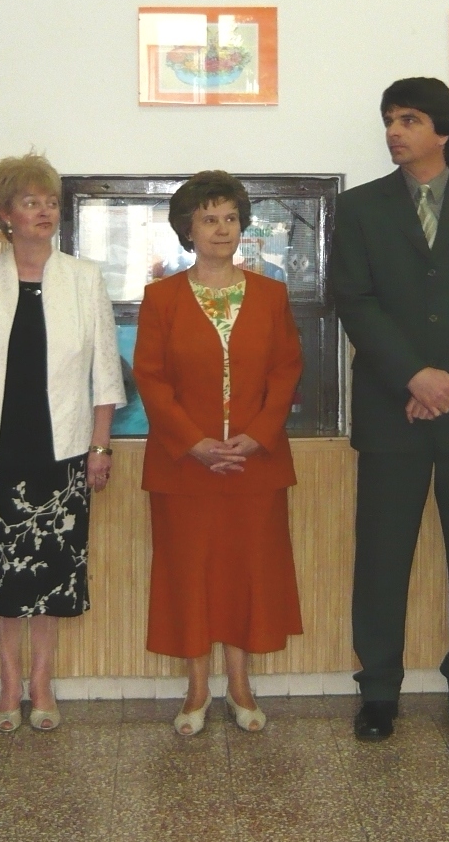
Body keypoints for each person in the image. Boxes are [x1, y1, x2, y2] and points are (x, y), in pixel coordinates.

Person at [331, 77, 449, 743]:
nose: (393, 131)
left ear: (443, 131)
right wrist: (414, 376)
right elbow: (355, 300)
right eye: (389, 119)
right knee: (382, 558)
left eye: (408, 119)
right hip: (392, 407)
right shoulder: (359, 208)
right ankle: (379, 690)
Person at [0, 152, 124, 733]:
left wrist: (100, 448)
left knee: (53, 574)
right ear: (6, 214)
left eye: (50, 202)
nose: (43, 211)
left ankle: (42, 681)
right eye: (29, 202)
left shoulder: (84, 278)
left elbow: (105, 373)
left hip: (62, 448)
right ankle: (8, 680)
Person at [134, 171, 304, 736]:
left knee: (248, 575)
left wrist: (259, 434)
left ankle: (240, 686)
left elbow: (286, 371)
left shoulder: (272, 294)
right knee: (189, 577)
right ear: (188, 229)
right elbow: (151, 379)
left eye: (230, 218)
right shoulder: (161, 298)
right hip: (185, 467)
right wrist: (195, 443)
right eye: (209, 219)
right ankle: (196, 690)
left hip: (255, 463)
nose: (221, 228)